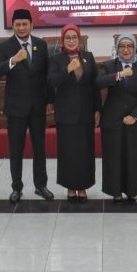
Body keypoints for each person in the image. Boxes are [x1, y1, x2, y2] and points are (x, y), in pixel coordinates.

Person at [0, 8, 53, 203]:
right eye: (17, 24)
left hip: (37, 106)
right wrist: (13, 60)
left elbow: (47, 75)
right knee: (16, 149)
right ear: (13, 26)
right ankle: (16, 187)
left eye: (24, 24)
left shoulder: (41, 45)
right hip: (16, 107)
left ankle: (41, 185)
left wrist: (49, 100)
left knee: (39, 148)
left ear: (31, 25)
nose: (21, 27)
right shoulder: (5, 46)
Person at [95, 34, 137, 204]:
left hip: (136, 121)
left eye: (129, 46)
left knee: (134, 157)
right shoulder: (109, 65)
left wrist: (135, 115)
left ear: (135, 48)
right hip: (112, 120)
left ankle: (132, 192)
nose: (126, 50)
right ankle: (116, 192)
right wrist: (119, 75)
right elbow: (98, 82)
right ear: (117, 48)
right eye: (122, 46)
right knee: (113, 157)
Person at [47, 24, 100, 202]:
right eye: (67, 37)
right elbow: (51, 81)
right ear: (63, 40)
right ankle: (70, 187)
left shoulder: (88, 57)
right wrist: (67, 69)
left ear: (79, 39)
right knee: (68, 152)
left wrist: (97, 109)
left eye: (74, 37)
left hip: (86, 113)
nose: (71, 40)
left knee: (85, 152)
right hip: (66, 114)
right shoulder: (56, 59)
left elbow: (95, 85)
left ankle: (83, 186)